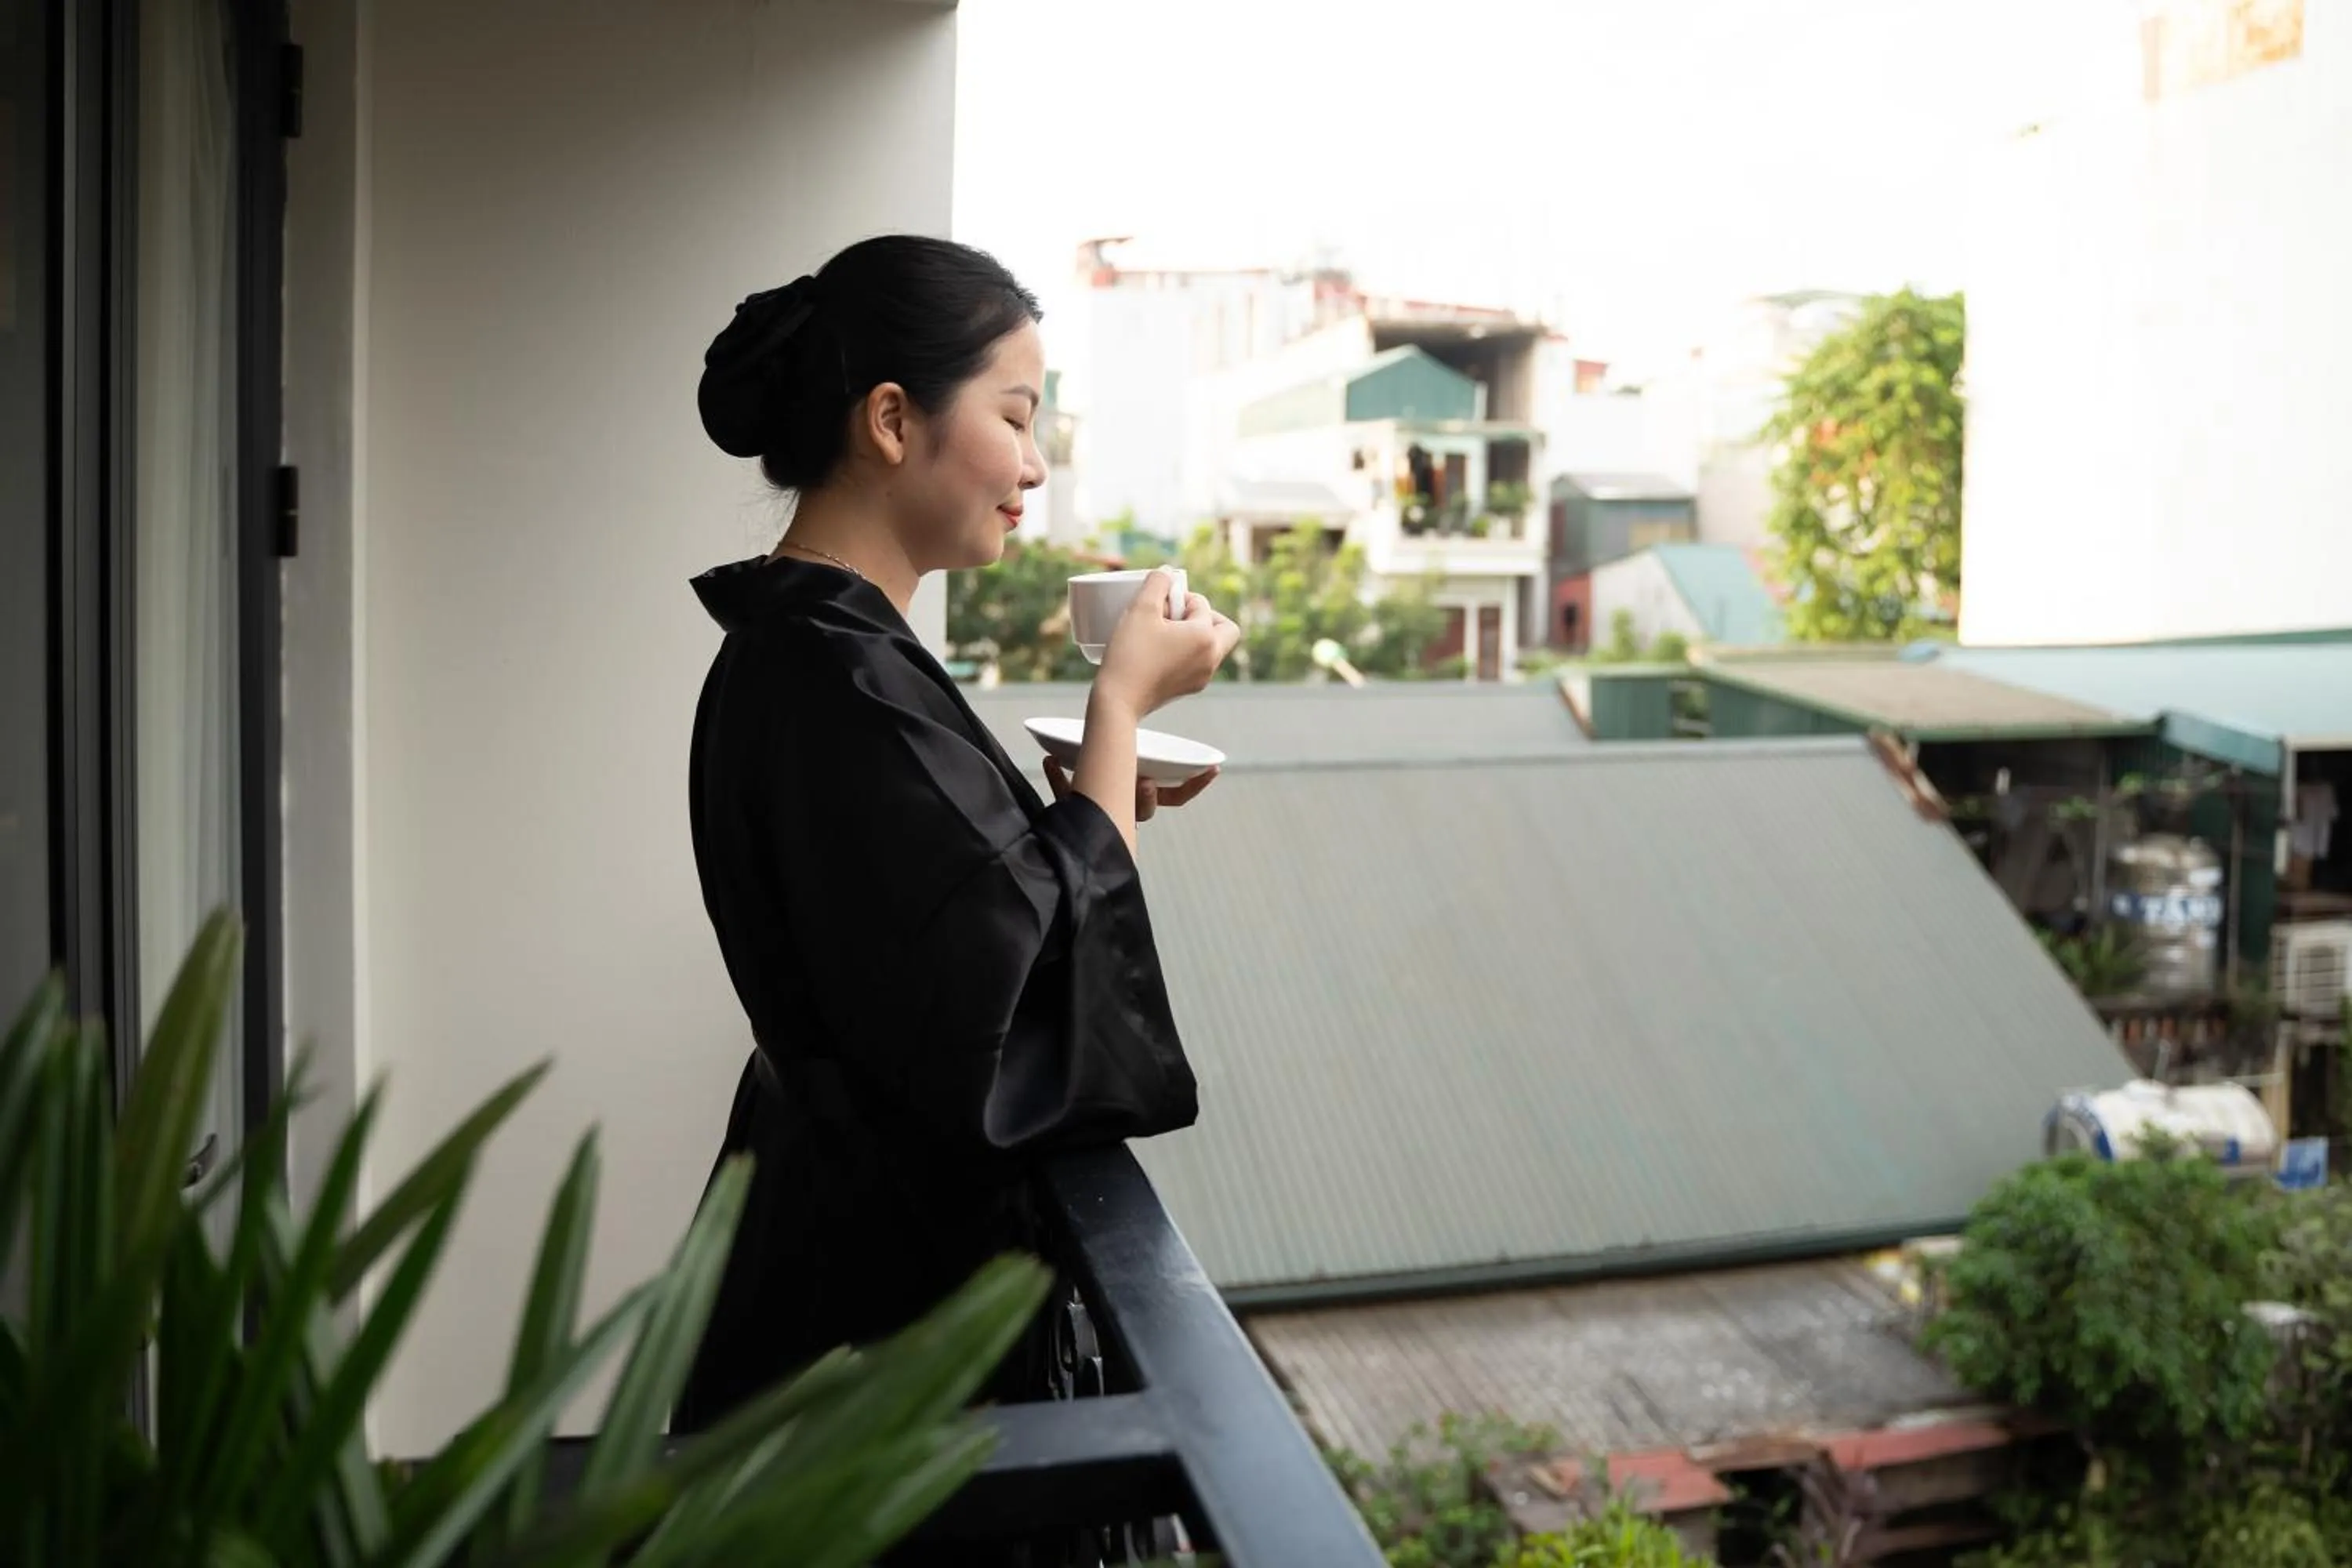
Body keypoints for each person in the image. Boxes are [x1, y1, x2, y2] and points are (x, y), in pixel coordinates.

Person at [670, 237, 1240, 1479]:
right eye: (1017, 416)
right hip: (894, 1328)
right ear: (891, 420)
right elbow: (1010, 1015)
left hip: (838, 1267)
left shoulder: (815, 646)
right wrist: (1120, 710)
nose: (1035, 466)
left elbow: (983, 919)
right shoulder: (840, 677)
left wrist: (1101, 791)